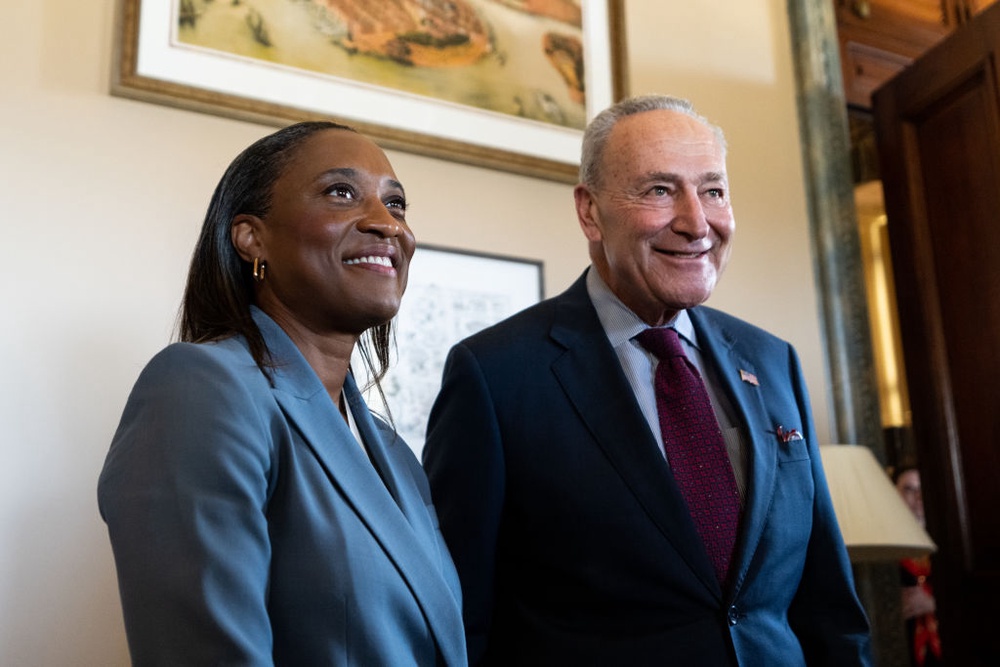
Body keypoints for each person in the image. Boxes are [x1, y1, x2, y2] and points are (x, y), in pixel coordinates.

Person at [422, 95, 872, 666]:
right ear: (590, 212)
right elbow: (462, 621)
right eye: (659, 190)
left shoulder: (771, 358)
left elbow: (827, 600)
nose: (695, 222)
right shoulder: (496, 375)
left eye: (712, 191)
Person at [98, 121, 466, 666]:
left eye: (397, 205)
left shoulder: (392, 452)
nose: (387, 224)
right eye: (341, 192)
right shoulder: (201, 389)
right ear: (252, 237)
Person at [895, 466, 942, 666]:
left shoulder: (955, 542)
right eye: (909, 489)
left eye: (922, 488)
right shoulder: (889, 548)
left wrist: (933, 602)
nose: (918, 496)